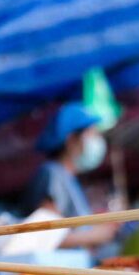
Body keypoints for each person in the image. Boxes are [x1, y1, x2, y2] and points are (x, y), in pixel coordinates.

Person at [20, 102, 116, 248]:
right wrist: (97, 235)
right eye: (92, 134)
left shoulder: (68, 179)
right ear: (71, 140)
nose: (98, 141)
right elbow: (45, 235)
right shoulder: (52, 173)